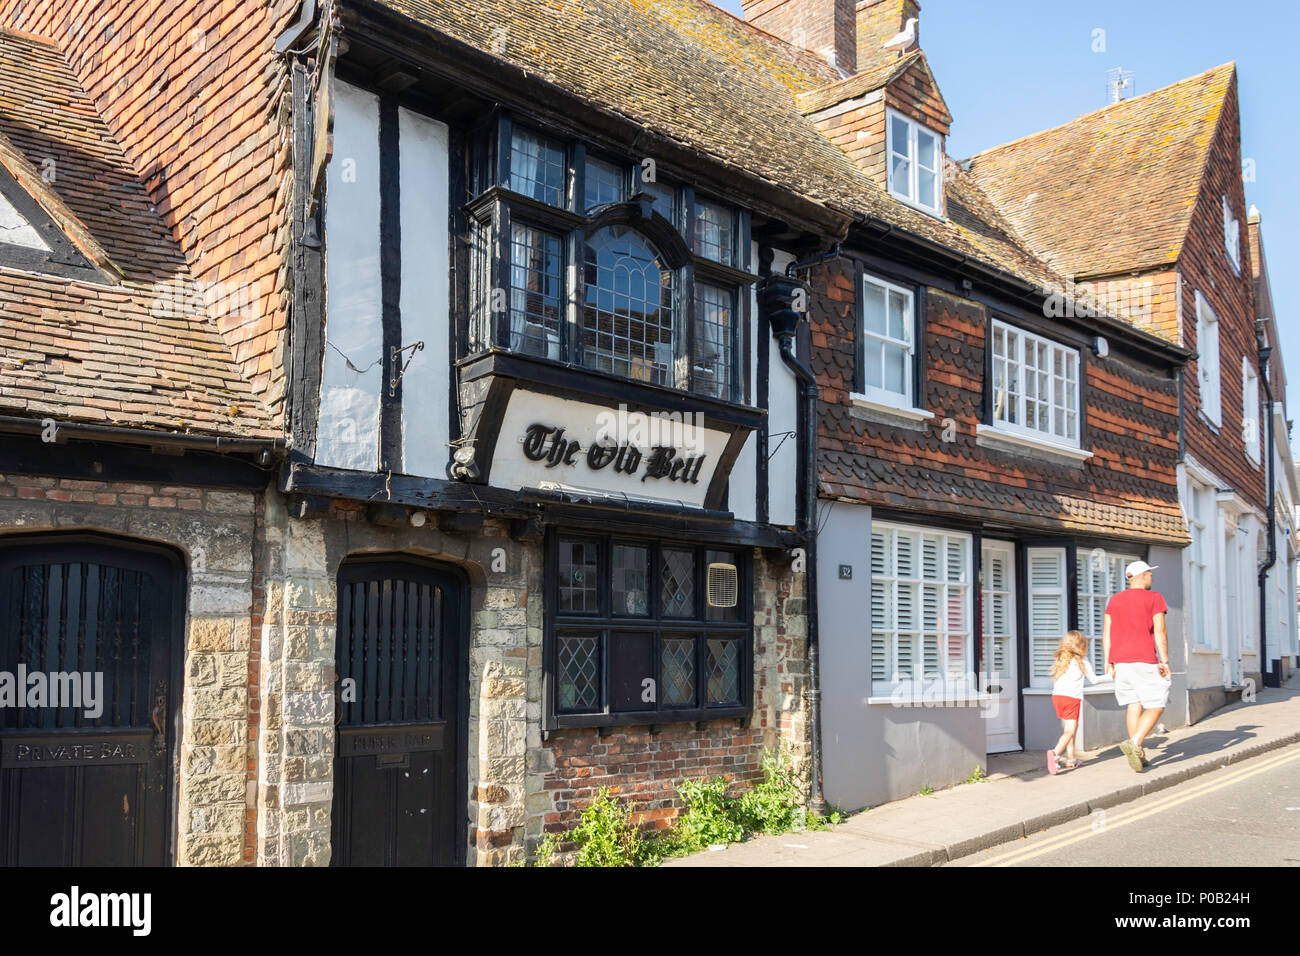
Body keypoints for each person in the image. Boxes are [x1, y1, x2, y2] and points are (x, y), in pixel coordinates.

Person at [1103, 560, 1171, 772]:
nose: (1152, 577)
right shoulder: (1154, 598)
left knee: (1134, 704)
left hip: (1120, 661)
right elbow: (1160, 631)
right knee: (1158, 702)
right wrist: (1165, 660)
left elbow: (1107, 632)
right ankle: (1134, 743)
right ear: (1142, 575)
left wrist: (1108, 661)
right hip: (1143, 659)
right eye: (1150, 574)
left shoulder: (1114, 600)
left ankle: (1138, 752)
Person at [1047, 630, 1105, 774]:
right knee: (1070, 730)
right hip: (1071, 698)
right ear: (1082, 645)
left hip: (1058, 697)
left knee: (1070, 728)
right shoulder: (1082, 661)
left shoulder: (1062, 658)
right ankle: (1055, 754)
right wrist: (1112, 676)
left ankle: (1071, 759)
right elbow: (1094, 680)